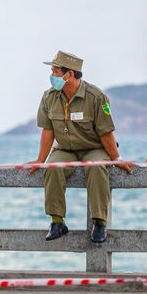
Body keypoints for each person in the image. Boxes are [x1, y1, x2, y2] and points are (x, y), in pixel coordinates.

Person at [29, 50, 135, 243]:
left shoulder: (97, 97)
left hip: (94, 148)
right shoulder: (49, 97)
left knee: (95, 167)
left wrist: (116, 159)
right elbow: (48, 131)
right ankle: (57, 222)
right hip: (65, 150)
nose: (52, 75)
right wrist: (40, 160)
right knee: (52, 168)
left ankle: (99, 223)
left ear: (69, 74)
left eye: (55, 71)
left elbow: (106, 132)